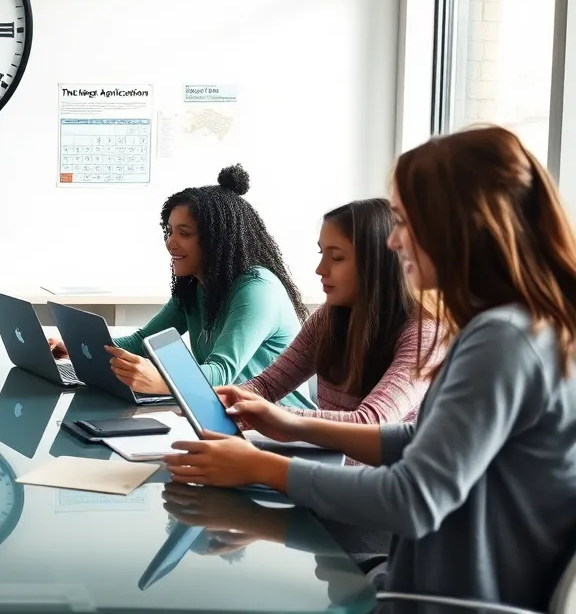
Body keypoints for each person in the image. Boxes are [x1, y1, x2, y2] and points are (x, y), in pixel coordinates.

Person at [163, 126, 576, 609]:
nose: (395, 241)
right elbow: (423, 438)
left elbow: (414, 498)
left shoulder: (502, 339)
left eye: (404, 221)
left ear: (458, 223)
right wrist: (291, 424)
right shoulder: (518, 326)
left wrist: (263, 466)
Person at [52, 165, 312, 407]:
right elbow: (143, 341)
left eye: (184, 233)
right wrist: (77, 346)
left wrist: (162, 381)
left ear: (217, 240)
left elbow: (222, 373)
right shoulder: (195, 285)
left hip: (279, 430)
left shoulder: (257, 289)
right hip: (226, 414)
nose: (170, 243)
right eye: (169, 231)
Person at [239, 198, 439, 423]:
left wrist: (269, 415)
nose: (320, 269)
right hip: (324, 457)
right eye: (321, 253)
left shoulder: (424, 335)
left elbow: (369, 424)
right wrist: (226, 400)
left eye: (336, 257)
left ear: (377, 264)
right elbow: (265, 385)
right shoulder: (328, 317)